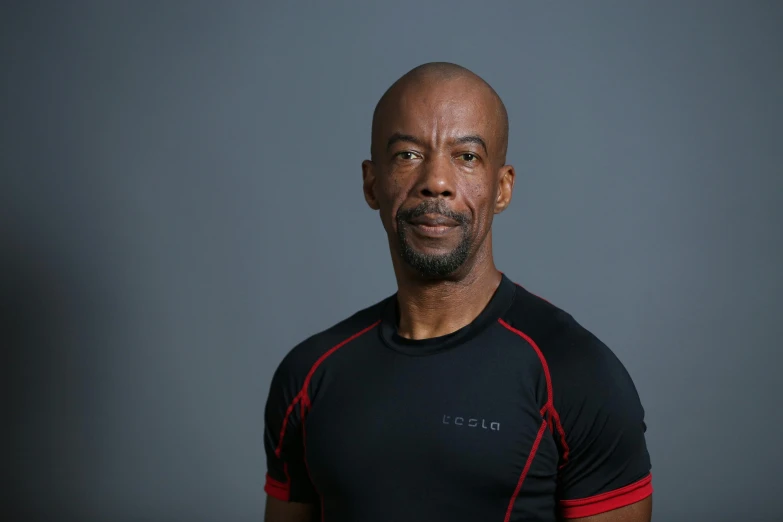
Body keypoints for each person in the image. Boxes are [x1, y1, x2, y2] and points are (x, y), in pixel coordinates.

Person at [262, 62, 653, 522]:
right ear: (372, 183)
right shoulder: (308, 377)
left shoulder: (578, 377)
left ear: (502, 188)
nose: (437, 182)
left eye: (467, 157)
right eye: (408, 155)